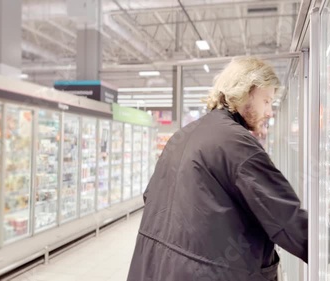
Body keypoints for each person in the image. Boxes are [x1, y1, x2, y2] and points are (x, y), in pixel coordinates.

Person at [127, 57, 308, 281]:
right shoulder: (238, 144)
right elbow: (285, 219)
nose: (270, 111)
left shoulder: (182, 135)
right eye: (267, 101)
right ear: (246, 92)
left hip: (155, 267)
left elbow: (152, 197)